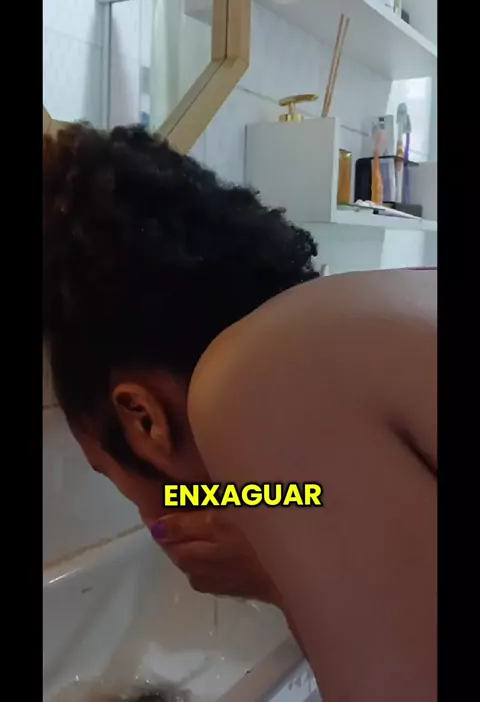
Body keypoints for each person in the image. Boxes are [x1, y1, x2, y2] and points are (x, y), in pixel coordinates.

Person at [43, 124, 436, 702]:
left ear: (143, 419)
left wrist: (283, 578)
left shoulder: (243, 379)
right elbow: (303, 499)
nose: (158, 515)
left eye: (112, 474)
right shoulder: (364, 316)